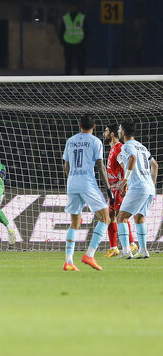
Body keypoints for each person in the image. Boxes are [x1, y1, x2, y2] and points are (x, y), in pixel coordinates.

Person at [60, 114, 112, 271]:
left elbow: (66, 167)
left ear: (79, 126)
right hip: (87, 182)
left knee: (74, 223)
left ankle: (69, 261)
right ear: (94, 126)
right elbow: (101, 167)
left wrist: (72, 181)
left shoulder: (71, 141)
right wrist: (108, 189)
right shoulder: (95, 142)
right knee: (106, 217)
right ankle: (89, 254)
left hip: (72, 183)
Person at [114, 121, 158, 260]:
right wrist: (152, 184)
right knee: (139, 218)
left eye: (120, 129)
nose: (119, 132)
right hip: (149, 188)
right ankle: (143, 250)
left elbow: (132, 157)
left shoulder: (127, 146)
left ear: (124, 133)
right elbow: (155, 165)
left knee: (121, 217)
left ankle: (126, 251)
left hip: (138, 187)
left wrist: (125, 179)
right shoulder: (142, 147)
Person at [102, 124, 138, 257]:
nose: (104, 134)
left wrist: (125, 186)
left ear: (112, 134)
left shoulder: (118, 148)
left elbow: (124, 167)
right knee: (111, 216)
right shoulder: (112, 149)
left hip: (119, 188)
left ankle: (131, 244)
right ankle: (113, 248)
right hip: (113, 189)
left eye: (106, 131)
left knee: (120, 217)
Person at [59, 5, 88, 75]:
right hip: (68, 44)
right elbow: (61, 31)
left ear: (77, 8)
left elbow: (87, 30)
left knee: (80, 63)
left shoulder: (82, 18)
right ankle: (67, 79)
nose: (73, 8)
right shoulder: (65, 18)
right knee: (68, 63)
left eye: (74, 7)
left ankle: (82, 79)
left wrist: (84, 42)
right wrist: (63, 42)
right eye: (71, 7)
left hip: (79, 44)